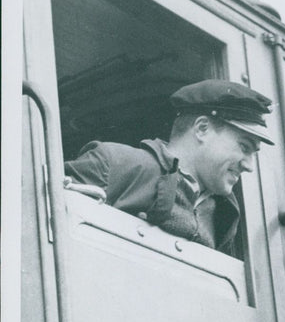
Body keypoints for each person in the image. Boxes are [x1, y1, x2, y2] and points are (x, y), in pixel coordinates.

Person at [63, 80, 274, 254]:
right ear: (202, 129)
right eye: (244, 147)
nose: (249, 166)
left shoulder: (225, 215)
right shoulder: (112, 163)